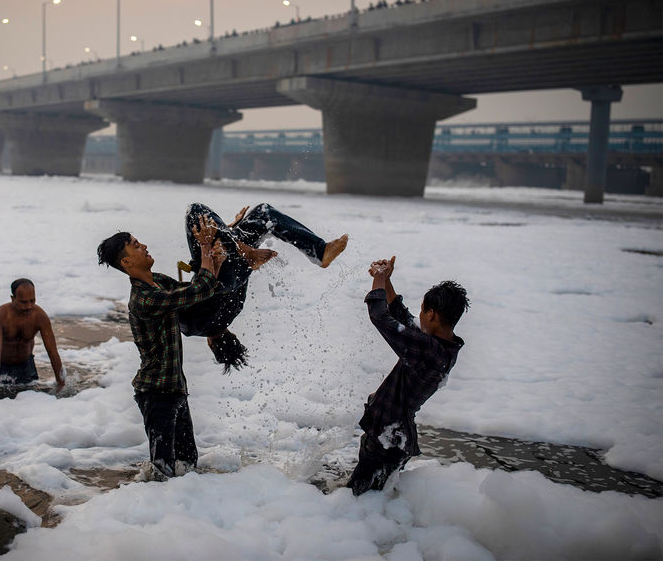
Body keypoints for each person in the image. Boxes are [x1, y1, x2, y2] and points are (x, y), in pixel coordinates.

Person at [97, 216, 226, 479]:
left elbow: (196, 291)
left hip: (176, 388)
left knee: (187, 463)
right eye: (135, 245)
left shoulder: (158, 281)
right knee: (162, 469)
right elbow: (193, 294)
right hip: (156, 392)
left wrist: (216, 263)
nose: (143, 246)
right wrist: (203, 252)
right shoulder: (144, 298)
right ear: (126, 262)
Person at [347, 256, 469, 495]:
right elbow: (401, 317)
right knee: (374, 499)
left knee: (357, 499)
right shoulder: (441, 345)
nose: (419, 316)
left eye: (423, 311)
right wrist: (387, 281)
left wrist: (379, 278)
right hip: (394, 438)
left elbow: (380, 317)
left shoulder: (428, 350)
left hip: (388, 440)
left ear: (432, 314)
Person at [179, 203, 348, 372]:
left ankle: (319, 252)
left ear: (233, 336)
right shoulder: (189, 328)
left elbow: (240, 278)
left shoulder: (235, 310)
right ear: (211, 346)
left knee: (264, 215)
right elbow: (175, 300)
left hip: (236, 271)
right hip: (220, 273)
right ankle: (314, 250)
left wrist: (231, 232)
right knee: (196, 211)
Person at [0, 278, 65, 394]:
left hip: (25, 367)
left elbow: (52, 351)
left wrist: (61, 383)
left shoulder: (40, 316)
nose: (29, 306)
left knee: (30, 402)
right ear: (13, 298)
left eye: (32, 300)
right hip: (1, 366)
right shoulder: (0, 316)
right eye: (23, 302)